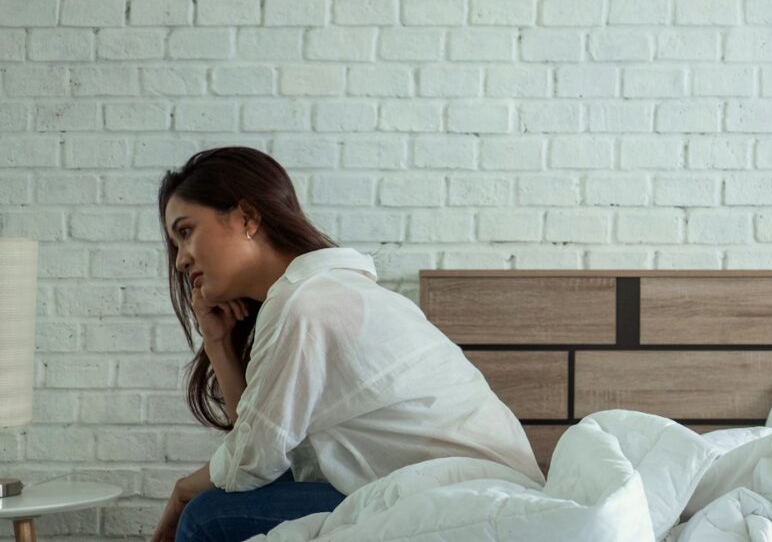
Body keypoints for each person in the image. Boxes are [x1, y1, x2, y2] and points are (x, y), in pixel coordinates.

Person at [150, 147, 541, 542]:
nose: (181, 260)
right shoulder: (320, 293)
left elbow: (248, 463)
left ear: (247, 218)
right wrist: (218, 343)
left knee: (206, 516)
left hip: (460, 491)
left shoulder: (306, 304)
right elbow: (256, 442)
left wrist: (184, 490)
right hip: (455, 480)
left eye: (186, 232)